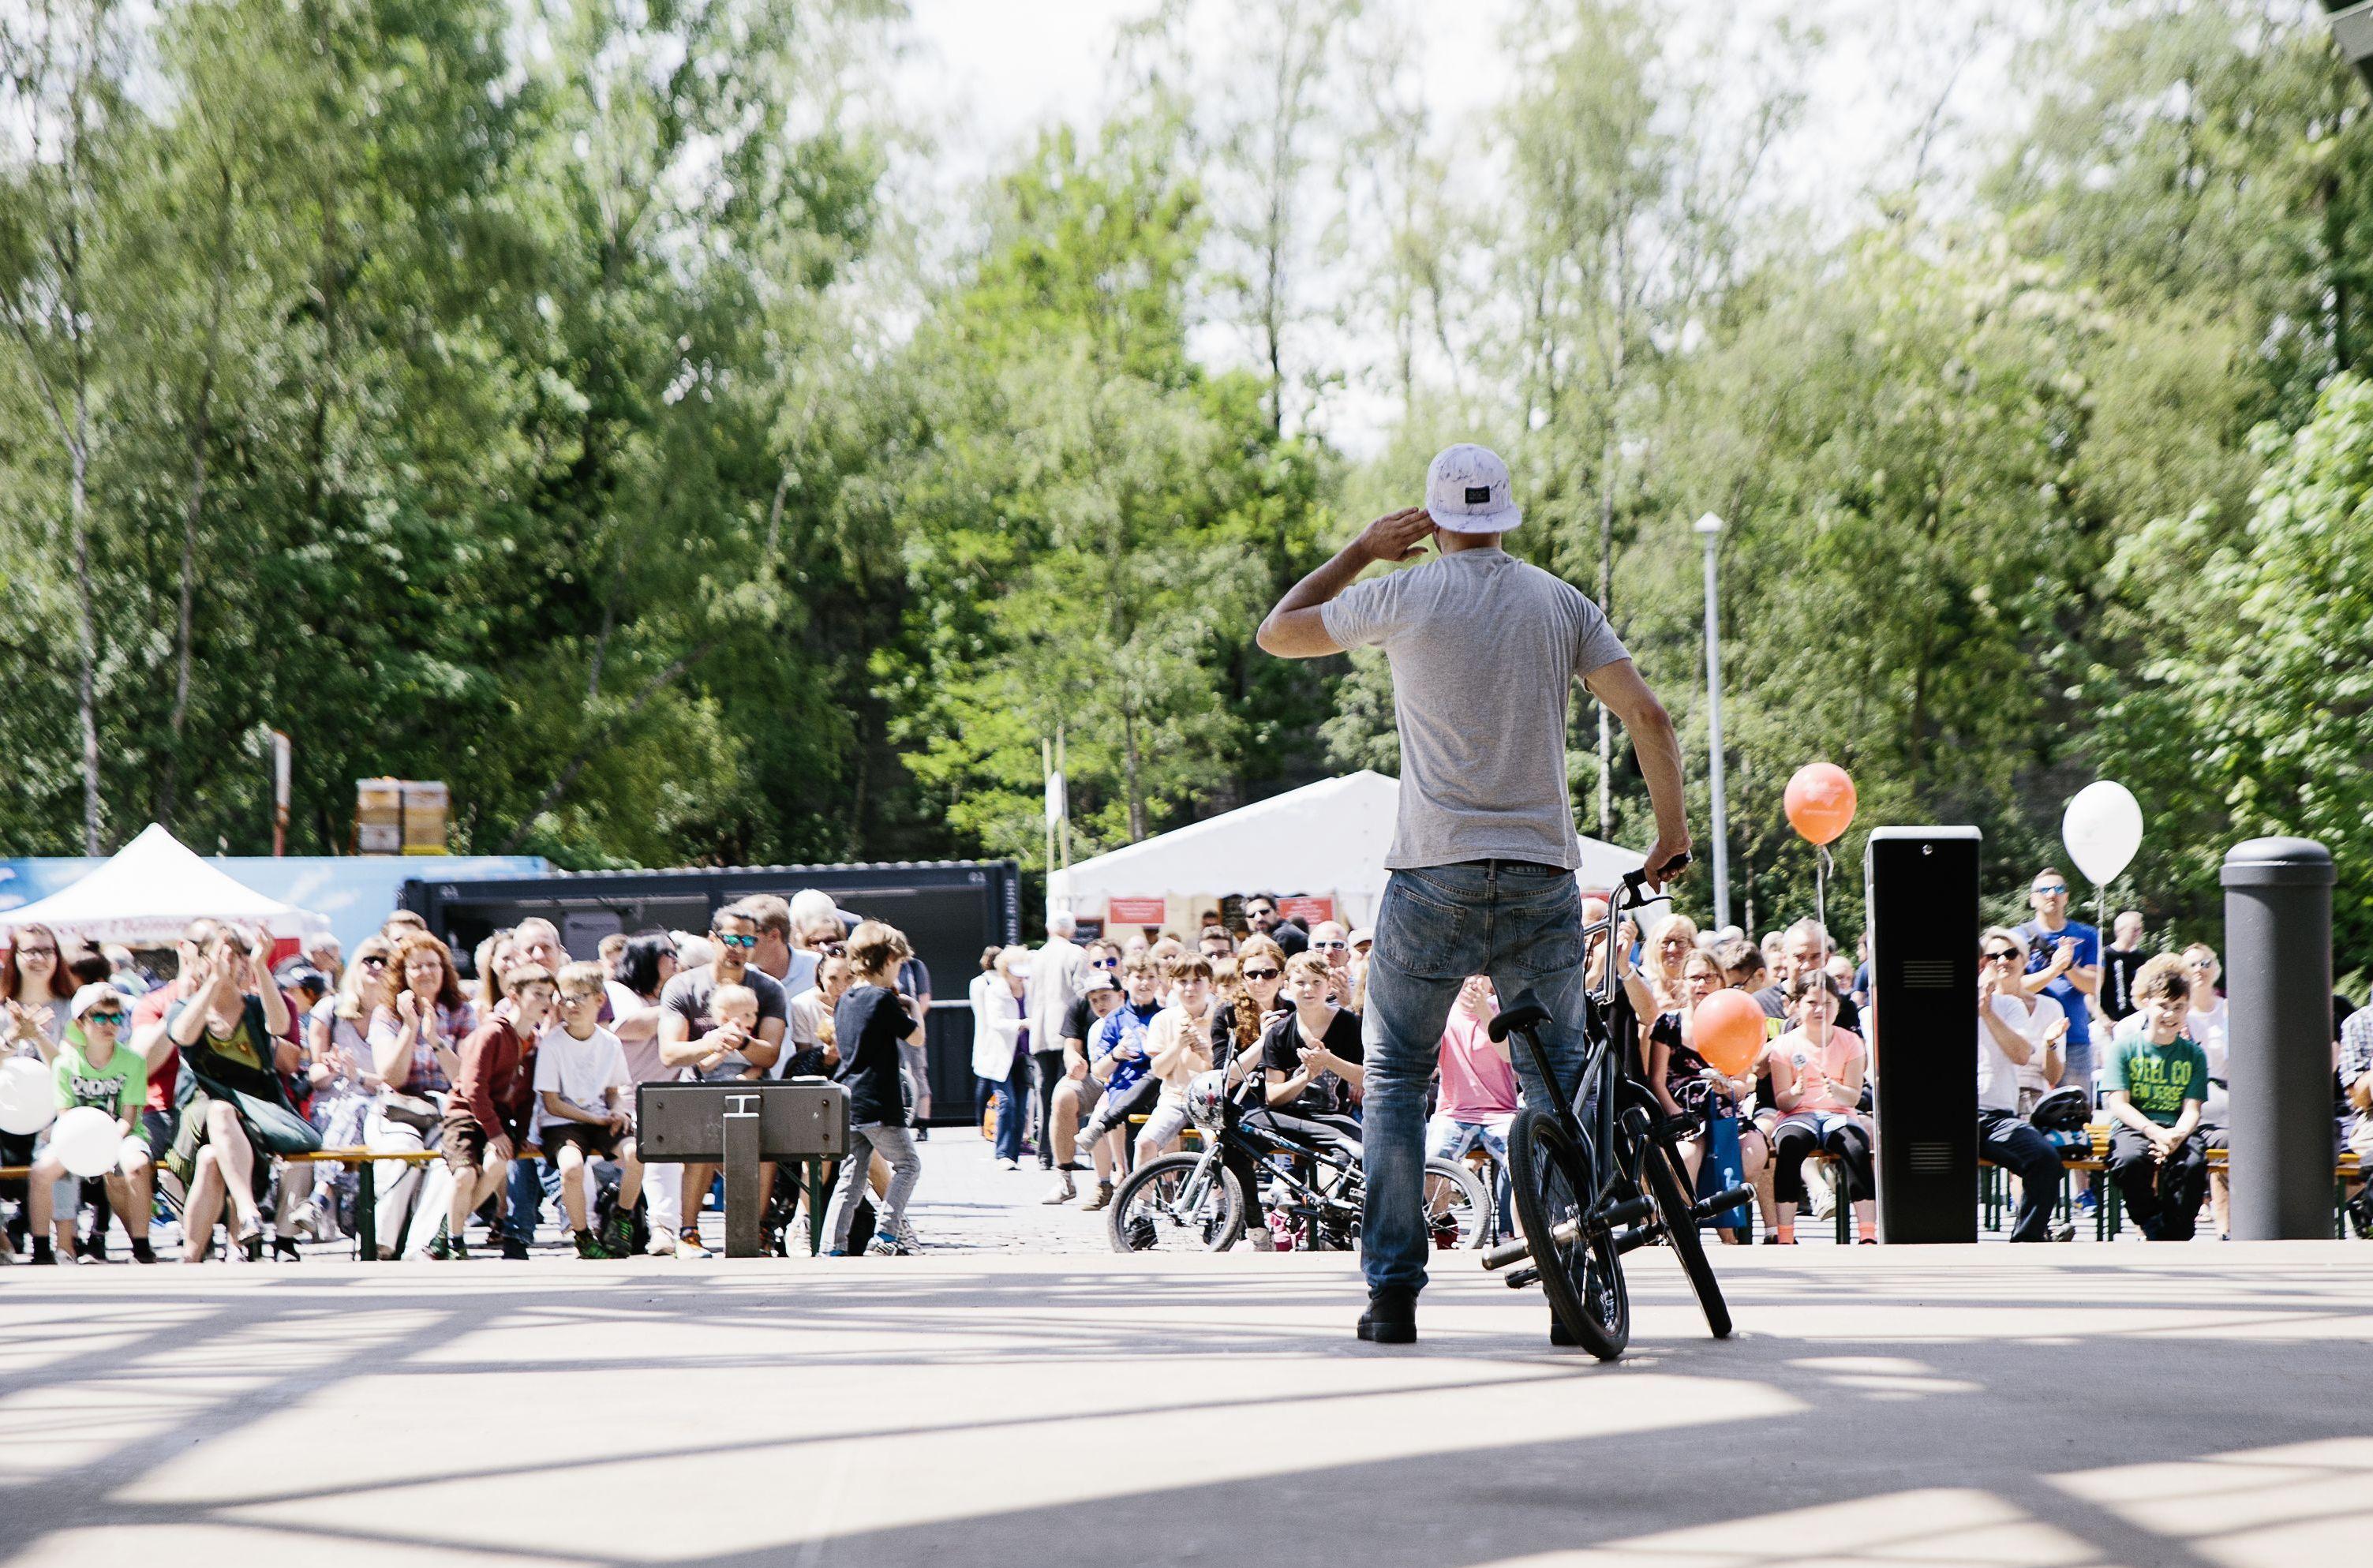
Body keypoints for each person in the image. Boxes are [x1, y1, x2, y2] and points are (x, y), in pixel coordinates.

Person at [1259, 443, 1690, 1343]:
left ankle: (1391, 1295)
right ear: (1507, 515)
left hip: (1432, 875)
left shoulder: (1401, 594)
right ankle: (1573, 1281)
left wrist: (1361, 550)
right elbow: (1648, 716)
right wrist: (1670, 835)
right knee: (1554, 1083)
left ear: (1434, 516)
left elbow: (1278, 631)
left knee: (1393, 1077)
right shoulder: (1559, 601)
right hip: (1540, 874)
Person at [164, 926, 311, 1263]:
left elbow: (279, 1025)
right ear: (201, 960)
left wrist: (261, 966)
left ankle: (194, 1257)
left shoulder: (255, 1008)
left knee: (212, 1159)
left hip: (256, 1115)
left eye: (238, 954)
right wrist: (215, 981)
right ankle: (248, 1211)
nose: (234, 962)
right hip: (200, 1112)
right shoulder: (185, 1007)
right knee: (219, 1111)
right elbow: (183, 1036)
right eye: (222, 954)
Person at [658, 904, 787, 1258]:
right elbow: (670, 1053)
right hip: (698, 1090)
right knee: (701, 1146)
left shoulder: (768, 988)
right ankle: (688, 1233)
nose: (738, 947)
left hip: (750, 1088)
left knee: (763, 1151)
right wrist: (712, 1043)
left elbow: (770, 1054)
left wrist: (742, 1041)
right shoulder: (683, 986)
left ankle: (756, 1232)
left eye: (747, 939)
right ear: (713, 939)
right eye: (731, 938)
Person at [362, 932, 476, 1259]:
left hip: (446, 1109)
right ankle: (381, 1243)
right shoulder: (387, 1014)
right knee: (402, 1150)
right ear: (403, 973)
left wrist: (435, 1038)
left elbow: (464, 1078)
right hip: (399, 1109)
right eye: (417, 967)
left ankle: (422, 1246)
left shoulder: (463, 1012)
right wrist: (411, 1028)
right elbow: (391, 1077)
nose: (426, 972)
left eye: (432, 965)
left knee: (449, 1159)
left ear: (444, 970)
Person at [24, 985, 156, 1263]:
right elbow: (66, 1113)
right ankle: (42, 1249)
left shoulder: (133, 1061)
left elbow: (128, 1118)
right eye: (99, 1017)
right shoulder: (64, 1064)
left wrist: (106, 1145)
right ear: (80, 1023)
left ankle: (142, 1247)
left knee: (138, 1165)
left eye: (116, 1018)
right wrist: (89, 1147)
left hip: (122, 1135)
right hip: (75, 1137)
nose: (108, 1025)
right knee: (41, 1172)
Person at [434, 964, 554, 1259]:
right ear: (514, 996)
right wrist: (496, 1131)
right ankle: (453, 1239)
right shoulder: (491, 1033)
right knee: (464, 1175)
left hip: (497, 1120)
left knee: (497, 1166)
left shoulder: (534, 1043)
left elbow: (526, 1098)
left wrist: (522, 1134)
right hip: (465, 1115)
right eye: (538, 994)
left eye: (550, 996)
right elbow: (473, 1089)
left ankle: (448, 1233)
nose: (546, 1003)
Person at [822, 920, 926, 1256]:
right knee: (908, 1165)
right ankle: (886, 1235)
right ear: (884, 960)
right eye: (897, 963)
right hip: (879, 1102)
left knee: (850, 1179)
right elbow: (917, 1037)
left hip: (849, 1101)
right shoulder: (883, 999)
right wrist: (912, 1008)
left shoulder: (847, 999)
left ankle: (831, 1246)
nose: (899, 970)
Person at [1645, 952, 1761, 1242]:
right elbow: (1657, 1081)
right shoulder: (1668, 1024)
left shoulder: (1735, 1019)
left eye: (1709, 976)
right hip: (1682, 1110)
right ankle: (1684, 1231)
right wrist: (1676, 1115)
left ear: (1721, 980)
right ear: (1682, 983)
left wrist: (1728, 1088)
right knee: (1686, 1158)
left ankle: (1730, 1233)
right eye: (1695, 977)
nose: (1702, 983)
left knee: (1753, 1153)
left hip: (1723, 1109)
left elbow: (1742, 1083)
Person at [536, 962, 642, 1258]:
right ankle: (582, 1235)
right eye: (565, 997)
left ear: (599, 1000)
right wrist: (595, 1118)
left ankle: (622, 1218)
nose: (571, 1004)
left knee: (637, 1154)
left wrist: (619, 1110)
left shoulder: (609, 1042)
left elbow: (614, 1091)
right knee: (571, 1168)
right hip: (562, 1122)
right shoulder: (552, 1044)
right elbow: (552, 1103)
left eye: (580, 996)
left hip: (600, 1117)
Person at [2103, 955, 2210, 1241]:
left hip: (2178, 1128)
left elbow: (2192, 1108)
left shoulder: (2194, 1054)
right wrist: (2153, 1132)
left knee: (2192, 1164)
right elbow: (2118, 1103)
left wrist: (2176, 1134)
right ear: (2147, 1003)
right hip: (2135, 1126)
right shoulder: (2124, 1048)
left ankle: (2177, 1230)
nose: (2170, 1015)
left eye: (2179, 1007)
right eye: (2163, 1006)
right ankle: (2150, 1221)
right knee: (2129, 1160)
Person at [1978, 928, 2074, 1242]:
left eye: (2009, 954)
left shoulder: (2009, 1007)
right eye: (1994, 956)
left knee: (2045, 1161)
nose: (2001, 961)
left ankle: (2028, 1240)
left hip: (1998, 1116)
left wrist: (1986, 1012)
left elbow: (2021, 1055)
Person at [1766, 973, 1876, 1244]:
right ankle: (1786, 1234)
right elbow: (1782, 1101)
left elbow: (1851, 1097)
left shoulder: (1851, 1041)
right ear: (1798, 1005)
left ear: (1837, 1005)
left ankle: (1867, 1234)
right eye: (1812, 1002)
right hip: (1798, 1115)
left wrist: (1837, 1091)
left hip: (1839, 1114)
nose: (1819, 1010)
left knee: (1857, 1146)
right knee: (1790, 1145)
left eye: (1827, 1003)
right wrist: (1795, 1092)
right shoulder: (1784, 1045)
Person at [1074, 956, 1168, 1211]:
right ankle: (1109, 1182)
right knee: (1102, 1115)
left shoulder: (1165, 1017)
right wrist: (1117, 1054)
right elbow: (1099, 1070)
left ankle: (1169, 1183)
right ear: (1127, 982)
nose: (1145, 983)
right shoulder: (1115, 1020)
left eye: (1150, 977)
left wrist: (1155, 1052)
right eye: (1139, 977)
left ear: (1159, 981)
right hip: (1123, 1087)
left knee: (1174, 1111)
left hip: (1160, 1085)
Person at [610, 931, 681, 1253]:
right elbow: (630, 1025)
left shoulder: (677, 995)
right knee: (653, 1144)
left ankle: (667, 1230)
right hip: (620, 1104)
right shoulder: (618, 990)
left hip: (670, 1103)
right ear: (647, 958)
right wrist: (685, 1007)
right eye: (669, 953)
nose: (677, 960)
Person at [1260, 952, 1366, 1154]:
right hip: (1287, 1119)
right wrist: (1308, 1076)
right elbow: (1273, 1097)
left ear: (1328, 987)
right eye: (1300, 982)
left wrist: (1328, 1060)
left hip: (1334, 1118)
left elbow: (1367, 1079)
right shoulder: (1279, 1031)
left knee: (1351, 1155)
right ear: (1287, 987)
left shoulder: (1350, 1024)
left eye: (1317, 982)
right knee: (1244, 1127)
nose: (1309, 989)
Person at [1425, 975, 1517, 1187]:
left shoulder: (1502, 1009)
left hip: (1501, 1114)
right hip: (1453, 1114)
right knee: (1432, 1162)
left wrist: (1484, 1012)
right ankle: (1444, 1220)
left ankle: (1518, 1221)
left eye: (1480, 974)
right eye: (1466, 974)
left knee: (1522, 1166)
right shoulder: (1442, 1013)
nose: (1471, 981)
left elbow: (1509, 1056)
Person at [1042, 966, 1124, 1203]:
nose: (1099, 1003)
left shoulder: (1129, 1011)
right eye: (1094, 998)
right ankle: (1064, 1178)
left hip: (1123, 1080)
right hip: (1095, 1075)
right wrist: (1073, 1061)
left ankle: (1118, 1178)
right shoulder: (1080, 1006)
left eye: (1108, 960)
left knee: (1112, 1105)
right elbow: (1071, 1046)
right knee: (1063, 1096)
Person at [2177, 942, 2235, 1237]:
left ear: (2217, 969)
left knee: (2230, 1138)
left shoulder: (2231, 1010)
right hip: (2185, 1099)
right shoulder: (2174, 1012)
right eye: (2192, 964)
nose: (2199, 970)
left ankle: (2225, 1227)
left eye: (2205, 963)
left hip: (2226, 1097)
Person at [1136, 956, 1216, 1163]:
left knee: (1216, 1142)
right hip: (1175, 1097)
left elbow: (1228, 1069)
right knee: (1145, 1142)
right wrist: (1178, 1045)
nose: (1190, 988)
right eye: (1183, 981)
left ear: (1210, 984)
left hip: (1211, 1099)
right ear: (1172, 984)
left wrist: (1206, 1055)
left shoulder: (1221, 1017)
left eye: (1197, 981)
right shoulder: (1163, 1019)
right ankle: (1141, 1195)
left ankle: (1220, 1195)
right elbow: (1159, 1070)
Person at [969, 945, 1031, 1170]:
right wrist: (1022, 1024)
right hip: (1001, 1056)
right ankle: (1002, 1153)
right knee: (1007, 1103)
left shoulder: (1029, 988)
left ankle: (1013, 1154)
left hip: (1023, 1057)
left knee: (1022, 1105)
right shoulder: (995, 990)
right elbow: (995, 1021)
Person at [1754, 919, 1862, 1035]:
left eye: (1815, 957)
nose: (1807, 966)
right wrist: (1791, 1028)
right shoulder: (1760, 1004)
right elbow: (1753, 1053)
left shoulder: (1843, 1006)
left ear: (1826, 958)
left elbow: (1858, 1050)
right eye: (1799, 957)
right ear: (1785, 958)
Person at [1641, 913, 1701, 1016]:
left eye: (1680, 942)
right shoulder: (1641, 982)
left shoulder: (1702, 984)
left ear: (1693, 946)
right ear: (1654, 945)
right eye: (1666, 942)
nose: (1672, 949)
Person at [2100, 911, 2150, 1027]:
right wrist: (2103, 1018)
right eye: (2134, 929)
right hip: (2111, 1021)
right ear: (2120, 930)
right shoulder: (2105, 955)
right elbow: (2092, 993)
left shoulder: (2141, 956)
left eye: (2140, 929)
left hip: (2137, 1021)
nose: (2138, 933)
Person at [1241, 896, 1308, 958]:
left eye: (1264, 912)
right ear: (1246, 920)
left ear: (1277, 912)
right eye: (1251, 915)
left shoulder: (1283, 935)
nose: (1259, 918)